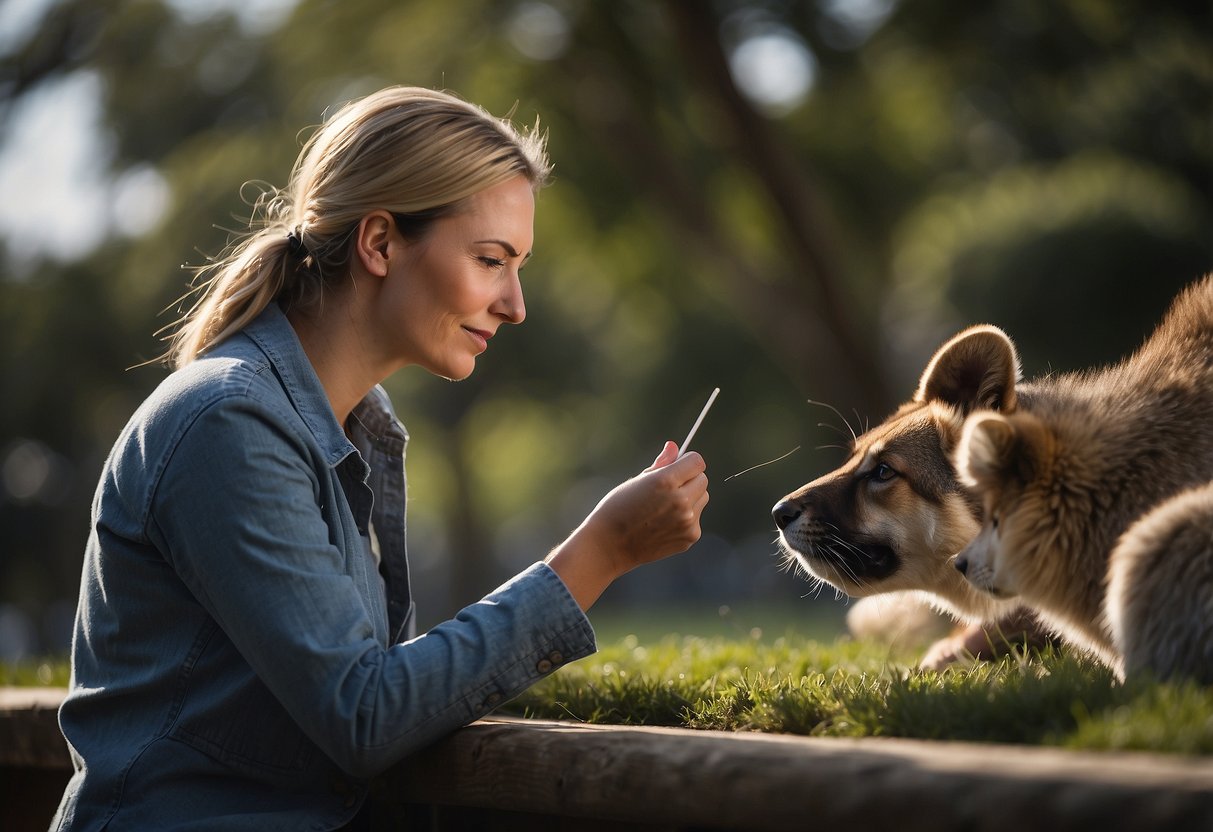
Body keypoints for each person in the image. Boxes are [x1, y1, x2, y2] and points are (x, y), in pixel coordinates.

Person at [51, 86, 709, 831]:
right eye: (492, 260)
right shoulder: (229, 421)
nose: (515, 303)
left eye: (517, 265)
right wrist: (602, 551)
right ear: (380, 244)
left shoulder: (357, 422)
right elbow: (364, 713)